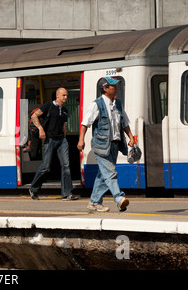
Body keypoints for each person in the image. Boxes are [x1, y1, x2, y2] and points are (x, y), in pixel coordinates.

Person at [77, 76, 135, 212]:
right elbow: (85, 124)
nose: (116, 88)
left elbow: (125, 123)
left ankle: (94, 202)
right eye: (112, 86)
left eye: (116, 86)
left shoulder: (118, 104)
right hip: (101, 145)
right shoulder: (96, 104)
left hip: (115, 145)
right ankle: (119, 198)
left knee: (103, 175)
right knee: (110, 173)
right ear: (104, 88)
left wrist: (131, 137)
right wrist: (81, 140)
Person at [28, 88, 78, 201]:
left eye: (67, 95)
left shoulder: (65, 110)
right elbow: (34, 116)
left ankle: (67, 193)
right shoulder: (48, 105)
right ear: (57, 95)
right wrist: (40, 129)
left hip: (61, 141)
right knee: (45, 166)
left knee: (66, 166)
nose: (66, 97)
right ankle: (33, 189)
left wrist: (64, 137)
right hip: (49, 140)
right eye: (64, 95)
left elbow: (63, 125)